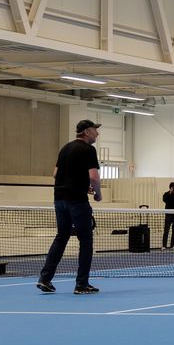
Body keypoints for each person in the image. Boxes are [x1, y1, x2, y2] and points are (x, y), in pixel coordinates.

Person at [37, 119, 103, 294]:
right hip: (77, 201)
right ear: (87, 131)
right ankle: (81, 284)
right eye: (95, 130)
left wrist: (79, 184)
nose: (97, 133)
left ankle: (45, 279)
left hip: (59, 200)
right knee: (86, 240)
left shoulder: (65, 148)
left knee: (62, 236)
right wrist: (97, 193)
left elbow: (55, 173)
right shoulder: (89, 150)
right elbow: (94, 177)